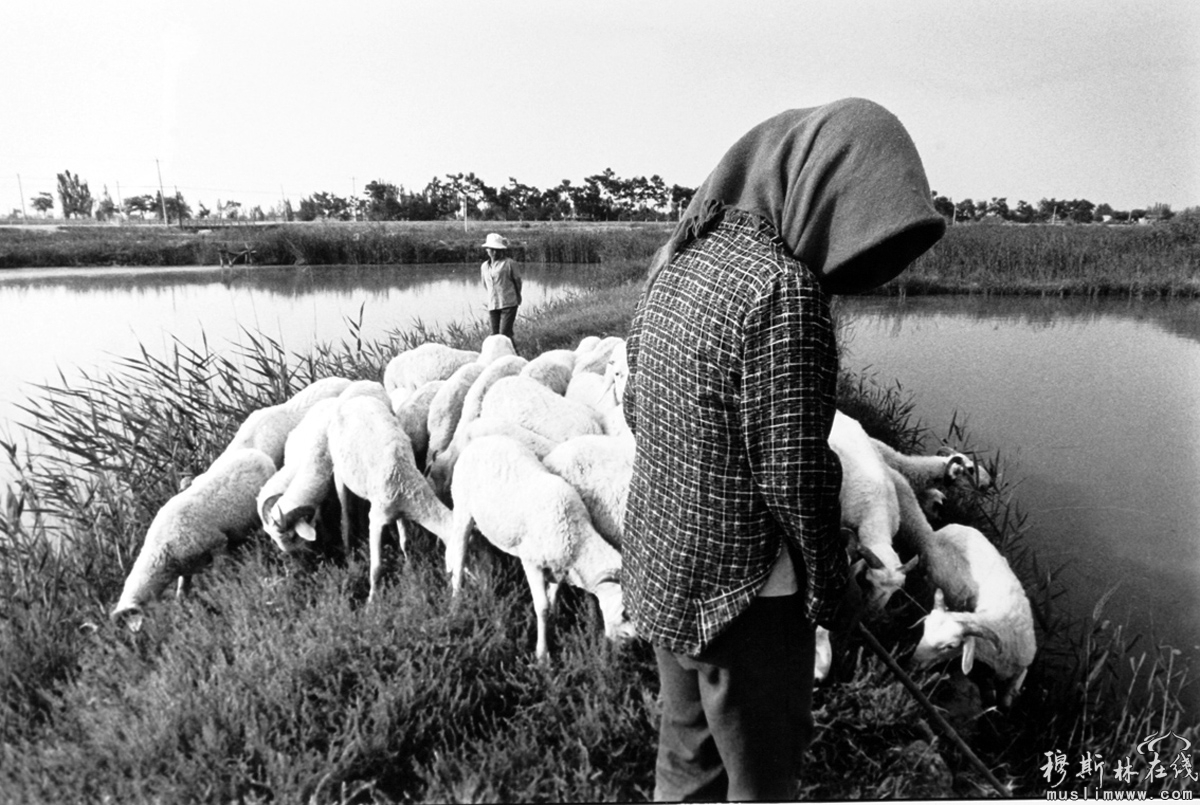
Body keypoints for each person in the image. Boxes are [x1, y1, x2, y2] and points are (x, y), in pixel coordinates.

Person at [622, 97, 946, 801]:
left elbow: (636, 405)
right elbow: (796, 478)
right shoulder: (784, 291)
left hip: (667, 568)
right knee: (762, 782)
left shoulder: (682, 260)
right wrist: (836, 595)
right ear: (823, 190)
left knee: (685, 764)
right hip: (749, 600)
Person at [480, 232, 522, 344]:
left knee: (504, 335)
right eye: (491, 249)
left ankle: (514, 356)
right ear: (487, 250)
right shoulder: (484, 266)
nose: (493, 252)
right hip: (493, 304)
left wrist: (518, 296)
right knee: (495, 335)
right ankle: (499, 357)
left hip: (508, 303)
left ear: (502, 250)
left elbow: (517, 282)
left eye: (496, 249)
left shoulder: (510, 264)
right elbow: (485, 284)